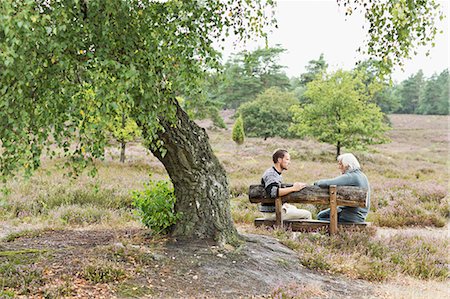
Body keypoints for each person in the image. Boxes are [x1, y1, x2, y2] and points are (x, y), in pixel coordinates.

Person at [314, 153, 370, 223]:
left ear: (347, 165)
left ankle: (333, 233)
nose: (339, 167)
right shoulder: (362, 175)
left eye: (340, 164)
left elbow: (326, 183)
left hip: (351, 216)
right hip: (360, 214)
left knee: (321, 218)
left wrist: (315, 183)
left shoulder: (351, 177)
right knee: (322, 215)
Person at [260, 149, 312, 220]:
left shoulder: (275, 173)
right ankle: (305, 230)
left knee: (293, 208)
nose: (289, 162)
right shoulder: (271, 174)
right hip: (272, 213)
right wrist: (293, 188)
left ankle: (295, 231)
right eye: (287, 159)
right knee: (307, 214)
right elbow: (273, 192)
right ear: (279, 160)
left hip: (275, 209)